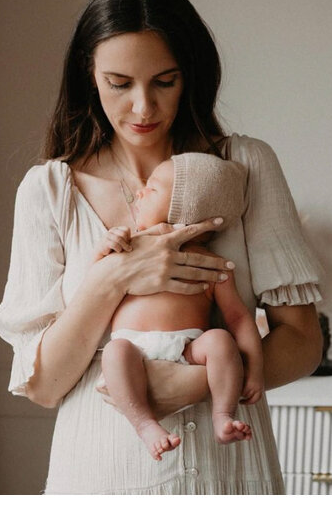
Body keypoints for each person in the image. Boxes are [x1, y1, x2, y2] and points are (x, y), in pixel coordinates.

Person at [0, 0, 324, 495]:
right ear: (89, 74)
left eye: (164, 81)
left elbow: (304, 341)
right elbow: (46, 385)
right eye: (119, 84)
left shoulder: (244, 168)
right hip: (100, 475)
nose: (143, 108)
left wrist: (189, 385)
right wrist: (116, 277)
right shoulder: (48, 190)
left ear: (190, 74)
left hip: (228, 476)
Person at [95, 152, 263, 461]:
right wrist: (109, 245)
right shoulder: (130, 248)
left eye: (154, 189)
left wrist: (254, 370)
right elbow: (98, 283)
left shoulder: (213, 265)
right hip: (133, 347)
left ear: (185, 214)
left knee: (220, 340)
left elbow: (238, 318)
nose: (141, 192)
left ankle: (223, 414)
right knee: (115, 353)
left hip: (187, 349)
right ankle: (145, 424)